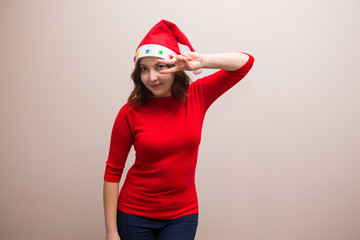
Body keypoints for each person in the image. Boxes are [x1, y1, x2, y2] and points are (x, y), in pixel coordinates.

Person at [103, 20, 254, 240]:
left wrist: (200, 61)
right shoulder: (129, 112)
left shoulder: (197, 96)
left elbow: (245, 63)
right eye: (144, 69)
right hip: (133, 214)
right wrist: (111, 232)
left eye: (160, 66)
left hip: (182, 214)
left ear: (175, 67)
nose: (151, 77)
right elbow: (112, 172)